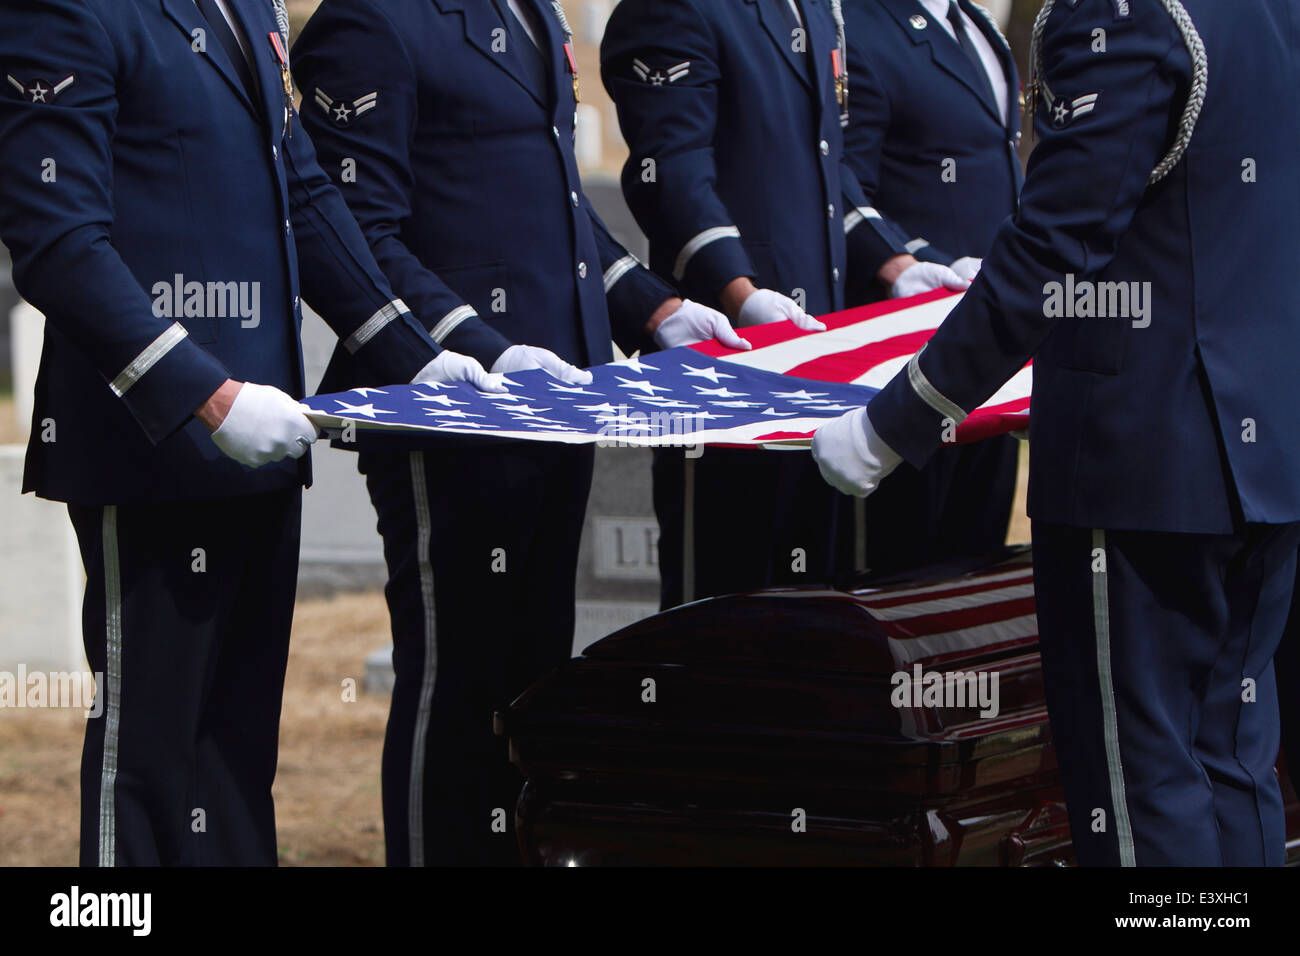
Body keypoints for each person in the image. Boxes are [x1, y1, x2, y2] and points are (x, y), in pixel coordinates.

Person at [0, 0, 496, 866]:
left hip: (263, 435)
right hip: (153, 440)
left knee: (232, 755)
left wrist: (409, 354)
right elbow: (57, 242)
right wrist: (207, 395)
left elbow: (299, 189)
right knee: (151, 757)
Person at [814, 0, 1300, 866]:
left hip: (1148, 458)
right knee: (1234, 760)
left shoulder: (1124, 16)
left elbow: (1054, 249)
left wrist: (900, 419)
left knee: (1140, 779)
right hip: (1264, 450)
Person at [292, 0, 743, 866]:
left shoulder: (530, 12)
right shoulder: (374, 23)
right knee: (455, 685)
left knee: (530, 682)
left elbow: (559, 213)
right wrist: (483, 347)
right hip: (453, 407)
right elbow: (357, 233)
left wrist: (655, 309)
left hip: (556, 407)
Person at [601, 0, 973, 610]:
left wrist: (895, 264)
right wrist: (738, 291)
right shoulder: (675, 10)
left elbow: (825, 175)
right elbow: (669, 174)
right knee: (724, 613)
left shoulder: (813, 9)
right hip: (729, 361)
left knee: (809, 609)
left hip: (817, 357)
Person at [838, 0, 1023, 573]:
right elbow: (841, 181)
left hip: (993, 343)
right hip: (913, 347)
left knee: (975, 561)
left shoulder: (979, 26)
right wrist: (911, 261)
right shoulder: (859, 27)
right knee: (904, 568)